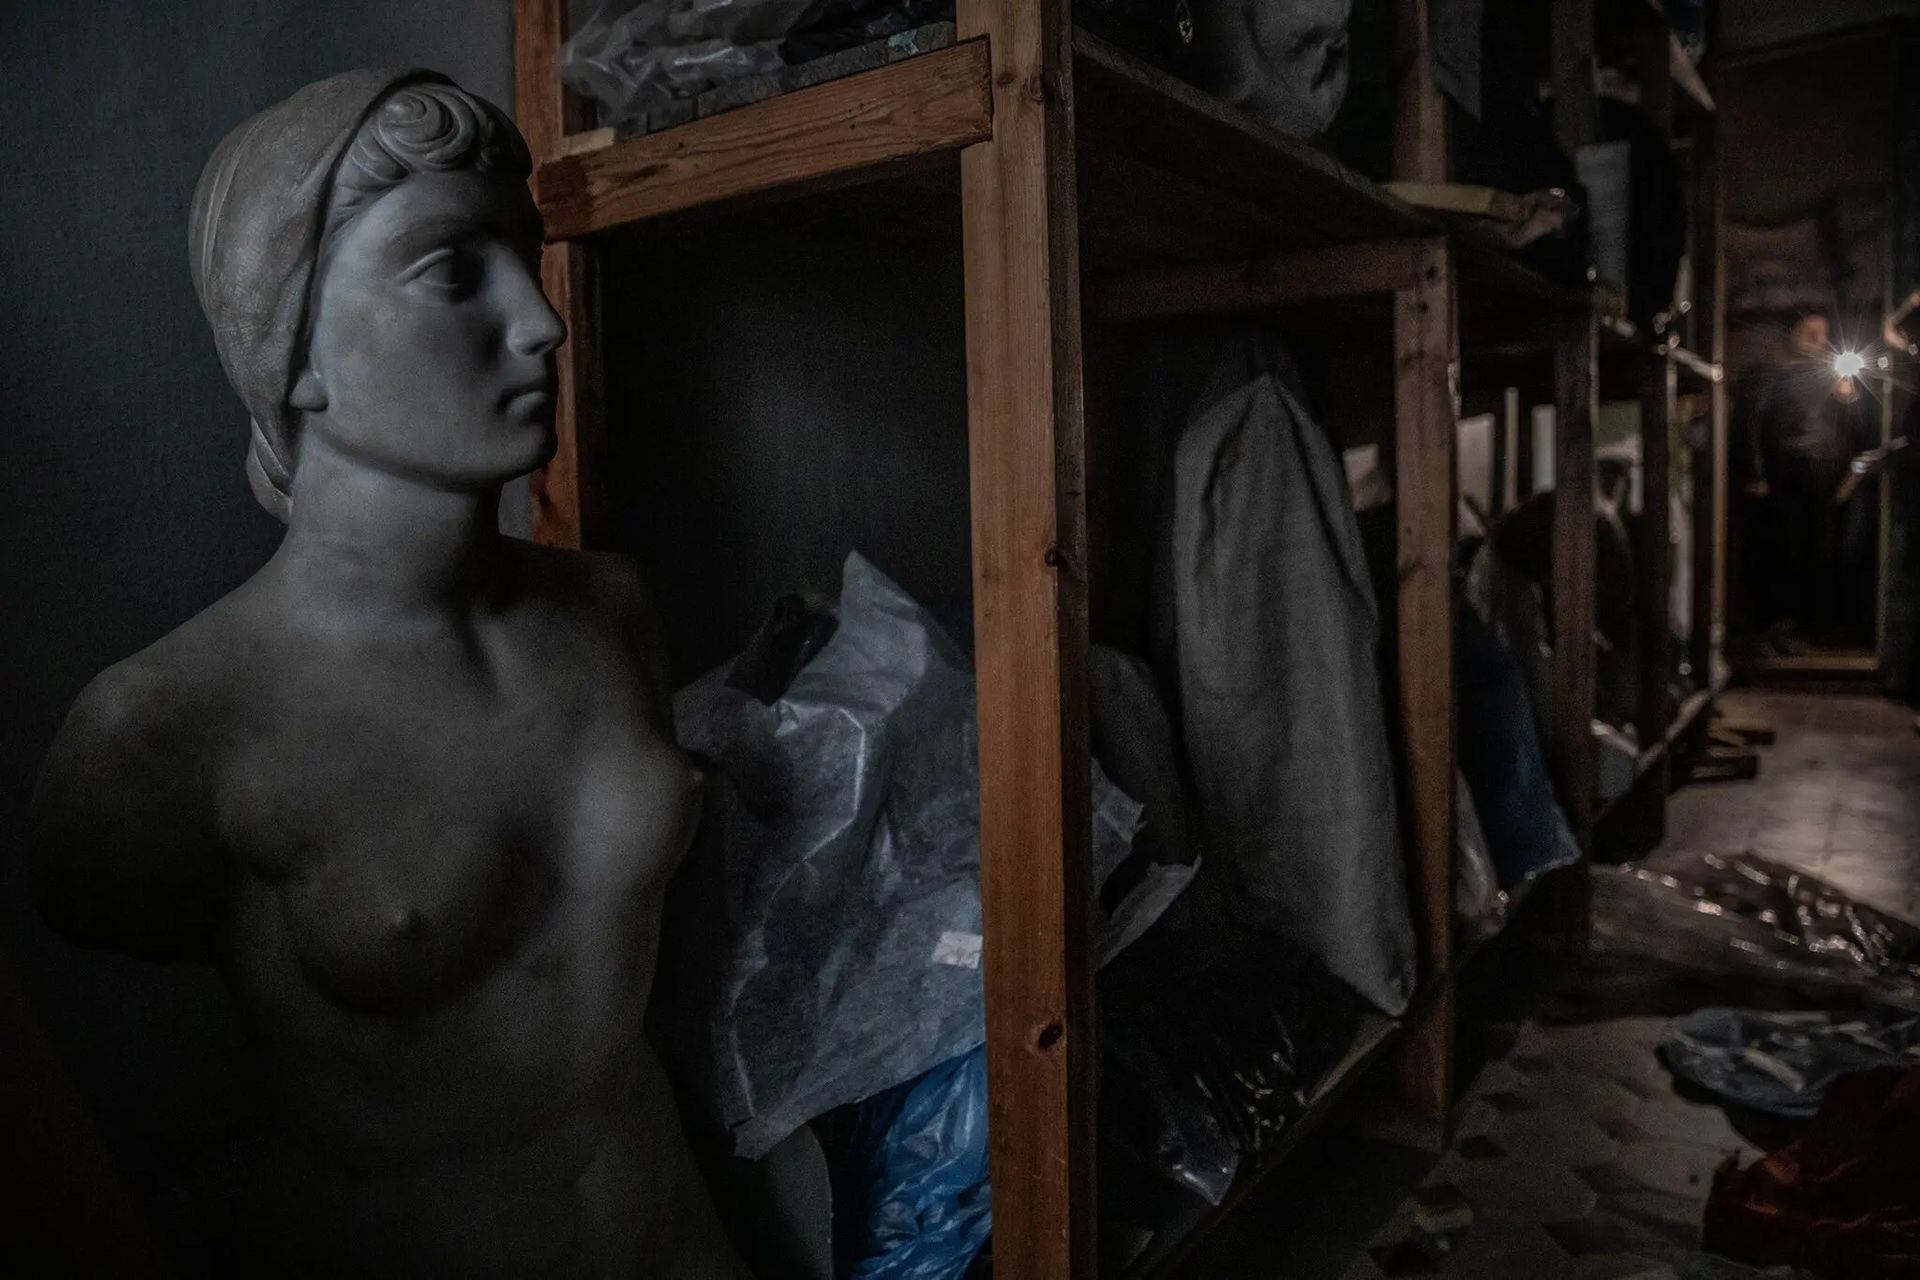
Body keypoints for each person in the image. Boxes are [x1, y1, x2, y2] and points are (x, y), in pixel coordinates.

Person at [28, 70, 746, 1278]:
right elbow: (134, 1123)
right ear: (291, 346)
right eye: (452, 270)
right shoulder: (161, 730)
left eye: (525, 257)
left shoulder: (609, 611)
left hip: (673, 1236)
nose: (542, 323)